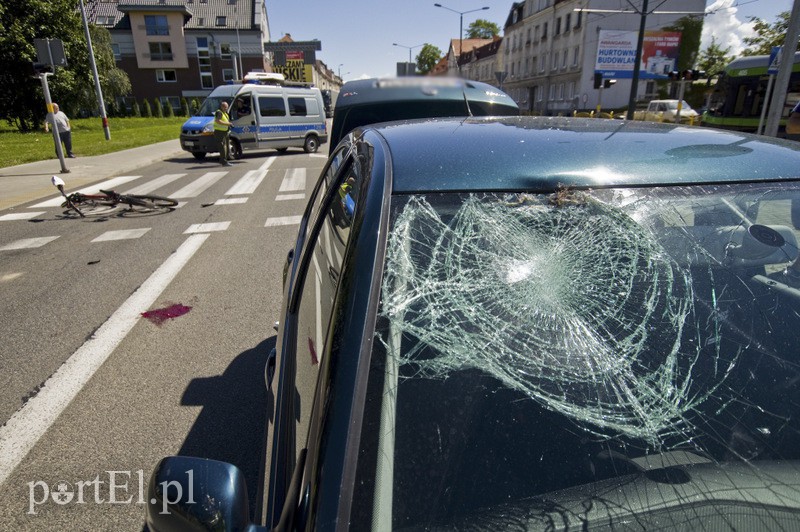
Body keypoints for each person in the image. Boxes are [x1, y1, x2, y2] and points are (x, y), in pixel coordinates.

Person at [214, 101, 233, 166]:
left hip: (224, 132)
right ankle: (224, 162)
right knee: (222, 148)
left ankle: (224, 160)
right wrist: (228, 124)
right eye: (225, 107)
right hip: (219, 132)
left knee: (226, 147)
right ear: (221, 106)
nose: (226, 108)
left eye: (227, 107)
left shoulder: (224, 113)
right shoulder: (219, 112)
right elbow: (218, 121)